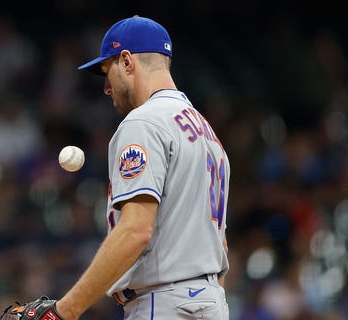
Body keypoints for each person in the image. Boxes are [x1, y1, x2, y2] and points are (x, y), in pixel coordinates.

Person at [54, 15, 231, 319]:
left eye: (107, 72)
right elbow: (221, 246)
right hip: (211, 302)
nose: (107, 88)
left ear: (126, 61)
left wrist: (65, 310)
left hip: (163, 304)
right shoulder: (206, 132)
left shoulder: (143, 122)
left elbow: (136, 230)